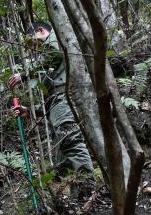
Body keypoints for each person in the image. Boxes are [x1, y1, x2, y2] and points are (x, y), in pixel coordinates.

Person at [8, 21, 93, 177]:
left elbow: (55, 56)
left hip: (65, 99)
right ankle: (80, 195)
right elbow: (53, 96)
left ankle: (88, 188)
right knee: (63, 154)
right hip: (57, 104)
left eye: (32, 40)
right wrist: (32, 112)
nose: (34, 47)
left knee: (71, 143)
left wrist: (25, 75)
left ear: (40, 31)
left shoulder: (55, 39)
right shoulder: (49, 57)